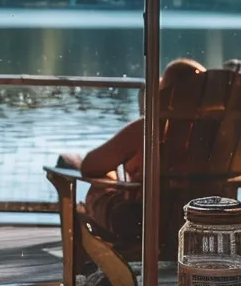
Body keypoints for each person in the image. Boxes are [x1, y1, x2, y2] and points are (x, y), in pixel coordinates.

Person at [76, 59, 206, 250]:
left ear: (164, 93)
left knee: (99, 188)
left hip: (146, 222)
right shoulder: (218, 135)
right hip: (203, 220)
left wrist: (111, 177)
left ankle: (98, 258)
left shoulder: (147, 129)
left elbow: (90, 165)